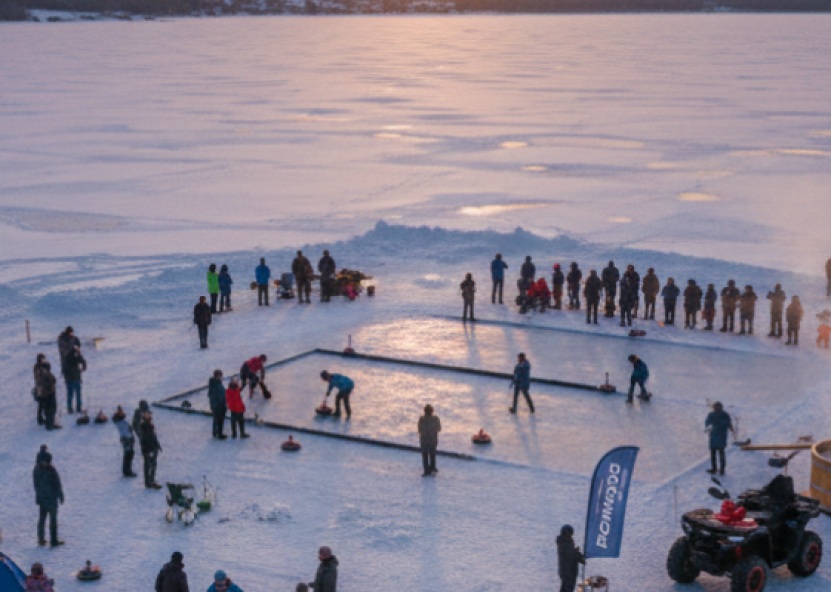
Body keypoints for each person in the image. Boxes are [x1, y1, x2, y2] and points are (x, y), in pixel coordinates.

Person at [33, 445, 64, 547]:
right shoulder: (51, 469)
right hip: (51, 498)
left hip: (42, 499)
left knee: (42, 519)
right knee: (53, 519)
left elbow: (36, 485)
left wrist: (38, 497)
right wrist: (60, 495)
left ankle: (41, 539)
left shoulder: (36, 470)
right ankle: (53, 540)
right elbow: (57, 483)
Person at [705, 402, 733, 476]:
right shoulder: (711, 414)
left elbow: (728, 423)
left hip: (721, 437)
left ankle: (722, 469)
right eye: (715, 407)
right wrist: (708, 427)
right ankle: (714, 469)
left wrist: (731, 428)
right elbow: (707, 422)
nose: (716, 409)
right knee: (713, 454)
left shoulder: (725, 415)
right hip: (713, 437)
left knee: (721, 454)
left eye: (717, 407)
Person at [556, 525, 584, 592]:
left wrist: (578, 555)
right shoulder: (565, 542)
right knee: (567, 588)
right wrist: (578, 555)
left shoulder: (566, 541)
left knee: (567, 588)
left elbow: (571, 553)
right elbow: (570, 555)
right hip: (568, 571)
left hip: (568, 570)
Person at [113, 406, 137, 477]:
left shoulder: (120, 422)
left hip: (126, 438)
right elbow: (130, 429)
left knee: (128, 454)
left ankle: (127, 470)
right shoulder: (122, 422)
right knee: (128, 455)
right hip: (127, 439)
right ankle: (127, 471)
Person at [418, 404, 441, 477]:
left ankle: (426, 470)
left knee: (425, 455)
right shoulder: (436, 419)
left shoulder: (421, 419)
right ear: (432, 411)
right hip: (433, 439)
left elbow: (419, 429)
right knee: (432, 453)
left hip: (424, 440)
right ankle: (433, 467)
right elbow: (439, 428)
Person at [140, 416, 163, 490]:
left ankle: (151, 480)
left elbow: (154, 438)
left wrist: (158, 446)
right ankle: (148, 482)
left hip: (153, 450)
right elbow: (144, 442)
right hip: (149, 451)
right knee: (148, 466)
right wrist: (147, 451)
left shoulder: (150, 428)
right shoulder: (145, 429)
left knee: (153, 466)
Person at [62, 345, 86, 414]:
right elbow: (84, 363)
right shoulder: (77, 356)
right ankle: (78, 408)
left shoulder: (67, 357)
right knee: (78, 395)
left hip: (70, 380)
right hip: (76, 378)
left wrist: (66, 377)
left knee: (70, 395)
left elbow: (64, 369)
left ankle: (70, 409)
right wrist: (82, 369)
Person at [38, 362, 60, 431]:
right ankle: (50, 424)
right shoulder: (46, 375)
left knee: (48, 410)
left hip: (44, 395)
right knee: (51, 409)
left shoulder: (40, 374)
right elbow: (53, 380)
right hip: (49, 395)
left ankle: (49, 423)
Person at [208, 370, 227, 440]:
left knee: (217, 420)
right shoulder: (215, 384)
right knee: (219, 420)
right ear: (216, 376)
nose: (221, 377)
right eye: (219, 376)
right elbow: (215, 395)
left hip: (219, 405)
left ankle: (216, 432)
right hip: (218, 405)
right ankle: (219, 433)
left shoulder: (217, 383)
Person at [33, 353, 49, 426]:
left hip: (39, 387)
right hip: (42, 387)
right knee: (43, 403)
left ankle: (40, 418)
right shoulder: (38, 367)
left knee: (41, 404)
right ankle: (42, 418)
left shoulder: (36, 366)